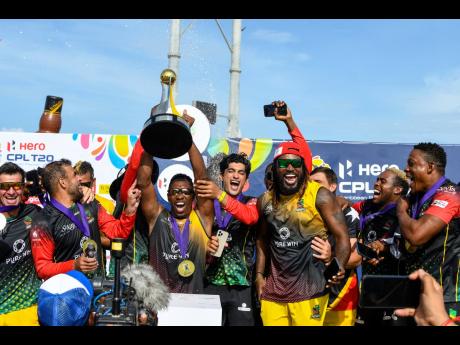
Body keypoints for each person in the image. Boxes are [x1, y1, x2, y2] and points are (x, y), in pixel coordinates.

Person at [255, 103, 350, 326]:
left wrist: (339, 265)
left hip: (311, 290)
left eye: (296, 164)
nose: (290, 168)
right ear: (275, 168)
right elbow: (262, 239)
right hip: (273, 294)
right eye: (284, 164)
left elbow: (342, 237)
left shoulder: (320, 196)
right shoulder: (265, 200)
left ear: (304, 168)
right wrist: (259, 276)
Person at [135, 111, 214, 294]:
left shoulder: (202, 219)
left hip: (194, 302)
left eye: (186, 192)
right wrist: (151, 141)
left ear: (194, 197)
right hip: (159, 302)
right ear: (168, 195)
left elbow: (202, 178)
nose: (180, 196)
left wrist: (185, 135)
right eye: (175, 192)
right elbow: (143, 182)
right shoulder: (157, 217)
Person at [30, 158, 141, 280]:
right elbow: (43, 269)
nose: (79, 179)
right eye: (74, 175)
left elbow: (118, 232)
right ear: (63, 182)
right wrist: (74, 265)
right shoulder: (42, 221)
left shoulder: (89, 203)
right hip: (67, 293)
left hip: (98, 290)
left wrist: (130, 210)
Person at [396, 142, 460, 321]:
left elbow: (417, 236)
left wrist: (401, 211)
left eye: (411, 164)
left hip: (445, 296)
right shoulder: (414, 197)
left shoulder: (450, 194)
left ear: (430, 167)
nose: (406, 169)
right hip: (415, 292)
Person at [195, 152, 259, 326]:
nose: (236, 175)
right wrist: (205, 245)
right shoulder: (208, 204)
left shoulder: (252, 202)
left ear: (245, 180)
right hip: (209, 283)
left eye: (241, 172)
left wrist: (219, 195)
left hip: (241, 285)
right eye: (231, 171)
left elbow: (250, 218)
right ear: (222, 175)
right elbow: (192, 237)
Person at [352, 167, 409, 326]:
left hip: (394, 291)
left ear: (397, 189)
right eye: (377, 179)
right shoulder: (366, 206)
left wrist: (384, 249)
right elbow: (347, 207)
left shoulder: (405, 212)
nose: (376, 184)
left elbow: (408, 248)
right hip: (369, 288)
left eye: (382, 181)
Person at [309, 166, 361, 326]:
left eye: (318, 182)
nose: (313, 187)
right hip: (310, 292)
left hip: (340, 293)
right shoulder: (303, 211)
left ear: (332, 187)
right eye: (310, 183)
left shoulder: (348, 213)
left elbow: (356, 258)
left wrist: (330, 257)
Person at [0, 162, 42, 325]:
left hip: (28, 311)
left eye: (16, 186)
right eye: (4, 186)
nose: (11, 192)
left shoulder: (34, 212)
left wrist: (83, 193)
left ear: (24, 188)